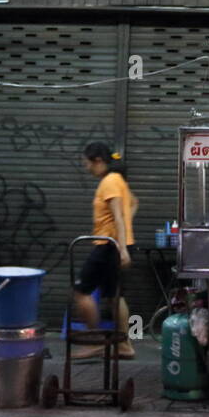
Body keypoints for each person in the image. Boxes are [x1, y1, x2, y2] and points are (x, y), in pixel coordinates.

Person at [73, 142, 138, 360]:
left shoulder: (110, 181)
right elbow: (133, 204)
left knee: (81, 291)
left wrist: (121, 248)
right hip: (117, 244)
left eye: (87, 163)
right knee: (114, 297)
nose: (86, 168)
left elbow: (118, 215)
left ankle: (95, 341)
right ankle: (124, 345)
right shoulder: (119, 180)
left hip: (108, 246)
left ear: (98, 161)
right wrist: (125, 237)